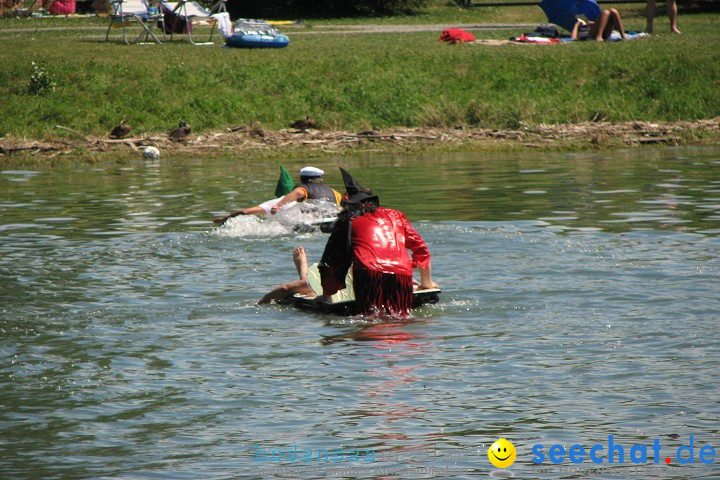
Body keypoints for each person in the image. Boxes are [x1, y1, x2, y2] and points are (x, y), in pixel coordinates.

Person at [315, 168, 437, 317]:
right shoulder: (395, 215)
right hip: (402, 273)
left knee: (370, 318)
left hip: (369, 273)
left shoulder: (347, 221)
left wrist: (328, 294)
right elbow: (420, 248)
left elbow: (332, 261)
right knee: (401, 315)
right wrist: (426, 283)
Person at [270, 166, 342, 215]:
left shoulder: (303, 187)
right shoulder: (332, 190)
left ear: (302, 179)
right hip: (333, 218)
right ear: (320, 179)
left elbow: (298, 192)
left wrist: (277, 205)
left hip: (315, 221)